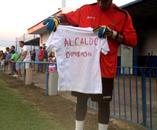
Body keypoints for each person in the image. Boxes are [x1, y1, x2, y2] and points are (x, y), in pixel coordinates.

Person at [43, 0, 137, 130]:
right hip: (84, 69)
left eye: (105, 1)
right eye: (99, 0)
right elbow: (66, 17)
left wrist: (112, 34)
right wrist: (56, 18)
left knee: (104, 105)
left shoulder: (122, 15)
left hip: (105, 71)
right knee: (81, 102)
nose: (101, 3)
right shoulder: (85, 10)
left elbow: (132, 40)